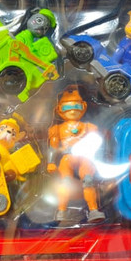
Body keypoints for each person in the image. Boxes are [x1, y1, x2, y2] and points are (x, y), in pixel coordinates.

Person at [47, 86, 105, 222]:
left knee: (88, 181)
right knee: (65, 183)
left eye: (76, 106)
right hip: (67, 158)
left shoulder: (89, 127)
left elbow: (97, 145)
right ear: (59, 109)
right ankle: (61, 211)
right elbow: (53, 148)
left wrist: (99, 162)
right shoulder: (57, 129)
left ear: (83, 106)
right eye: (67, 107)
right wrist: (50, 162)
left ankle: (93, 210)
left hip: (85, 158)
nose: (72, 110)